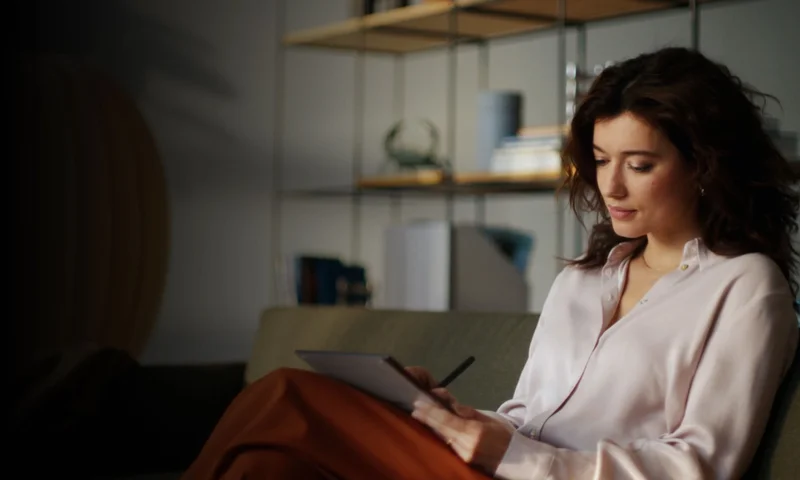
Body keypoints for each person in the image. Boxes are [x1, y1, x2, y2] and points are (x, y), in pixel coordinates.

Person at [182, 46, 799, 480]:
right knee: (269, 466)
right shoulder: (582, 280)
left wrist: (518, 459)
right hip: (498, 471)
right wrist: (449, 414)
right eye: (600, 159)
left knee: (286, 395)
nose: (610, 185)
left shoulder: (746, 287)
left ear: (703, 166)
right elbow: (526, 417)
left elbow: (700, 465)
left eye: (639, 165)